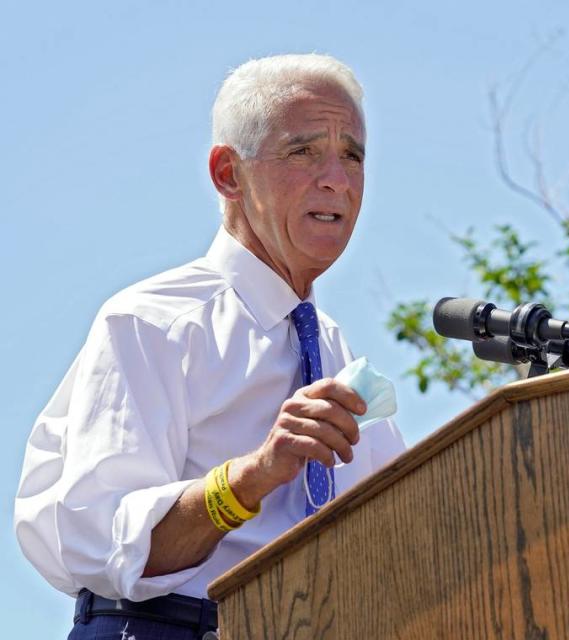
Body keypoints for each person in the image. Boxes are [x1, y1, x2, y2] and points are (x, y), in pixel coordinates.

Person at [14, 53, 406, 639]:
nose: (338, 179)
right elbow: (104, 543)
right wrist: (253, 476)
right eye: (304, 151)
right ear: (228, 174)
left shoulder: (330, 346)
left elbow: (403, 529)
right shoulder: (154, 322)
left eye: (353, 155)